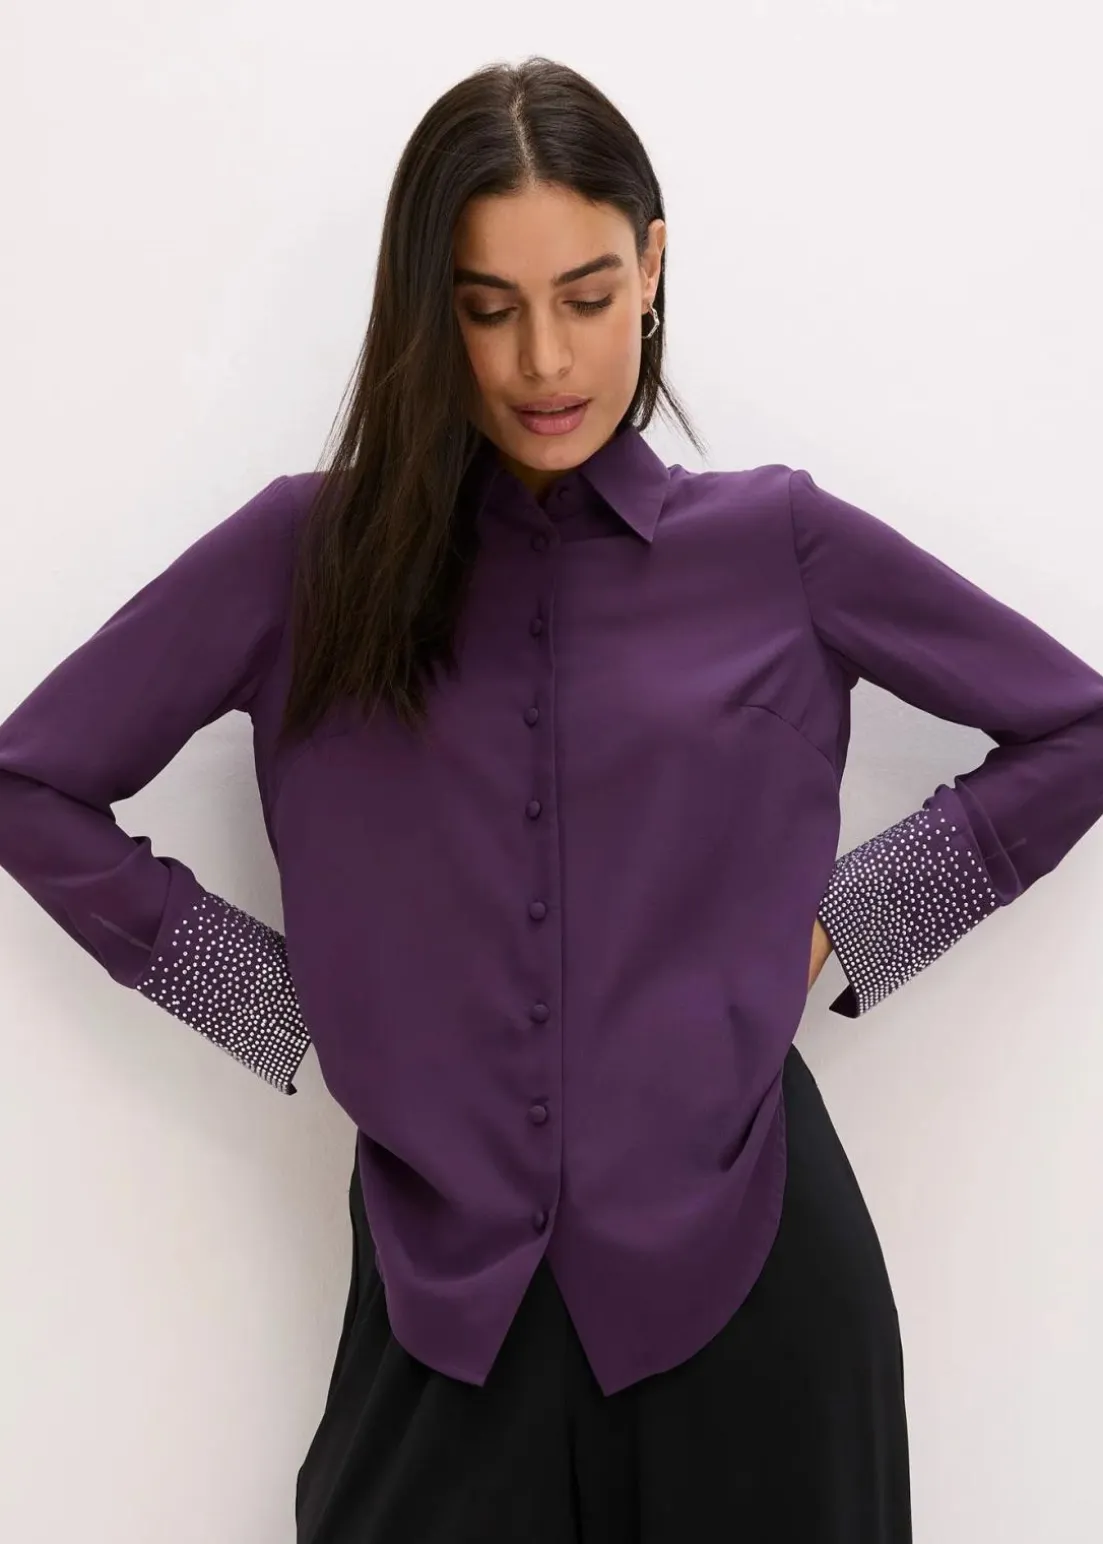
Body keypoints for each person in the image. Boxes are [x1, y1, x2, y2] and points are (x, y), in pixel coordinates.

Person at [2, 53, 1102, 1544]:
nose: (542, 362)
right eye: (487, 307)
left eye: (585, 297)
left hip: (755, 1287)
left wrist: (850, 925)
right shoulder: (301, 561)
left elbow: (1073, 727)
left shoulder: (775, 546)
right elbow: (33, 780)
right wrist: (279, 1001)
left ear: (651, 269)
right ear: (425, 308)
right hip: (439, 1315)